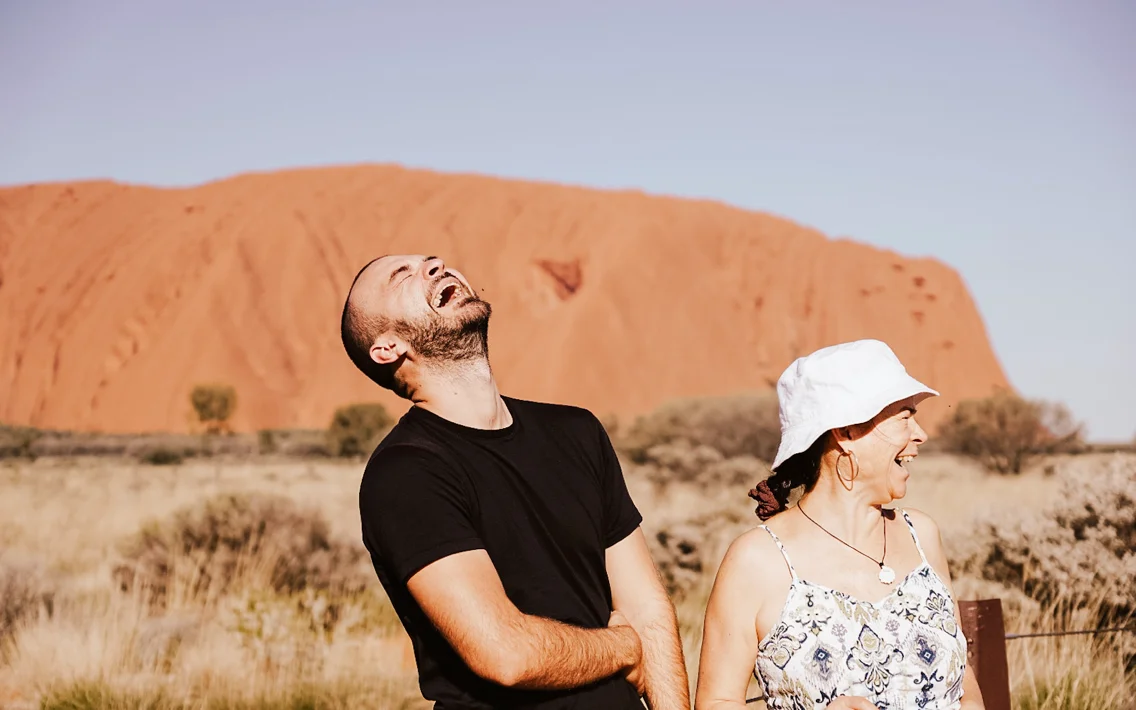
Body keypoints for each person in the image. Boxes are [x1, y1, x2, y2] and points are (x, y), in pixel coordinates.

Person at [340, 254, 690, 710]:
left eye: (430, 260)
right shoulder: (406, 473)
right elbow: (506, 654)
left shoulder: (577, 431)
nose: (435, 265)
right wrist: (624, 647)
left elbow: (648, 608)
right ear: (387, 348)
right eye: (402, 275)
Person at [694, 339, 985, 710]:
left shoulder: (922, 536)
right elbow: (717, 702)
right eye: (904, 417)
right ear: (846, 433)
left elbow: (964, 686)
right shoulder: (758, 559)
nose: (920, 434)